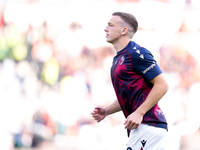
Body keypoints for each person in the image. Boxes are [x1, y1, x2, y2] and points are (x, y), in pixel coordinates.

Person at [91, 12, 169, 150]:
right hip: (144, 127)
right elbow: (129, 95)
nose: (105, 28)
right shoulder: (118, 59)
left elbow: (162, 85)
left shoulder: (136, 53)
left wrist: (139, 112)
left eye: (110, 25)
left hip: (149, 125)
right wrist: (107, 110)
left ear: (124, 30)